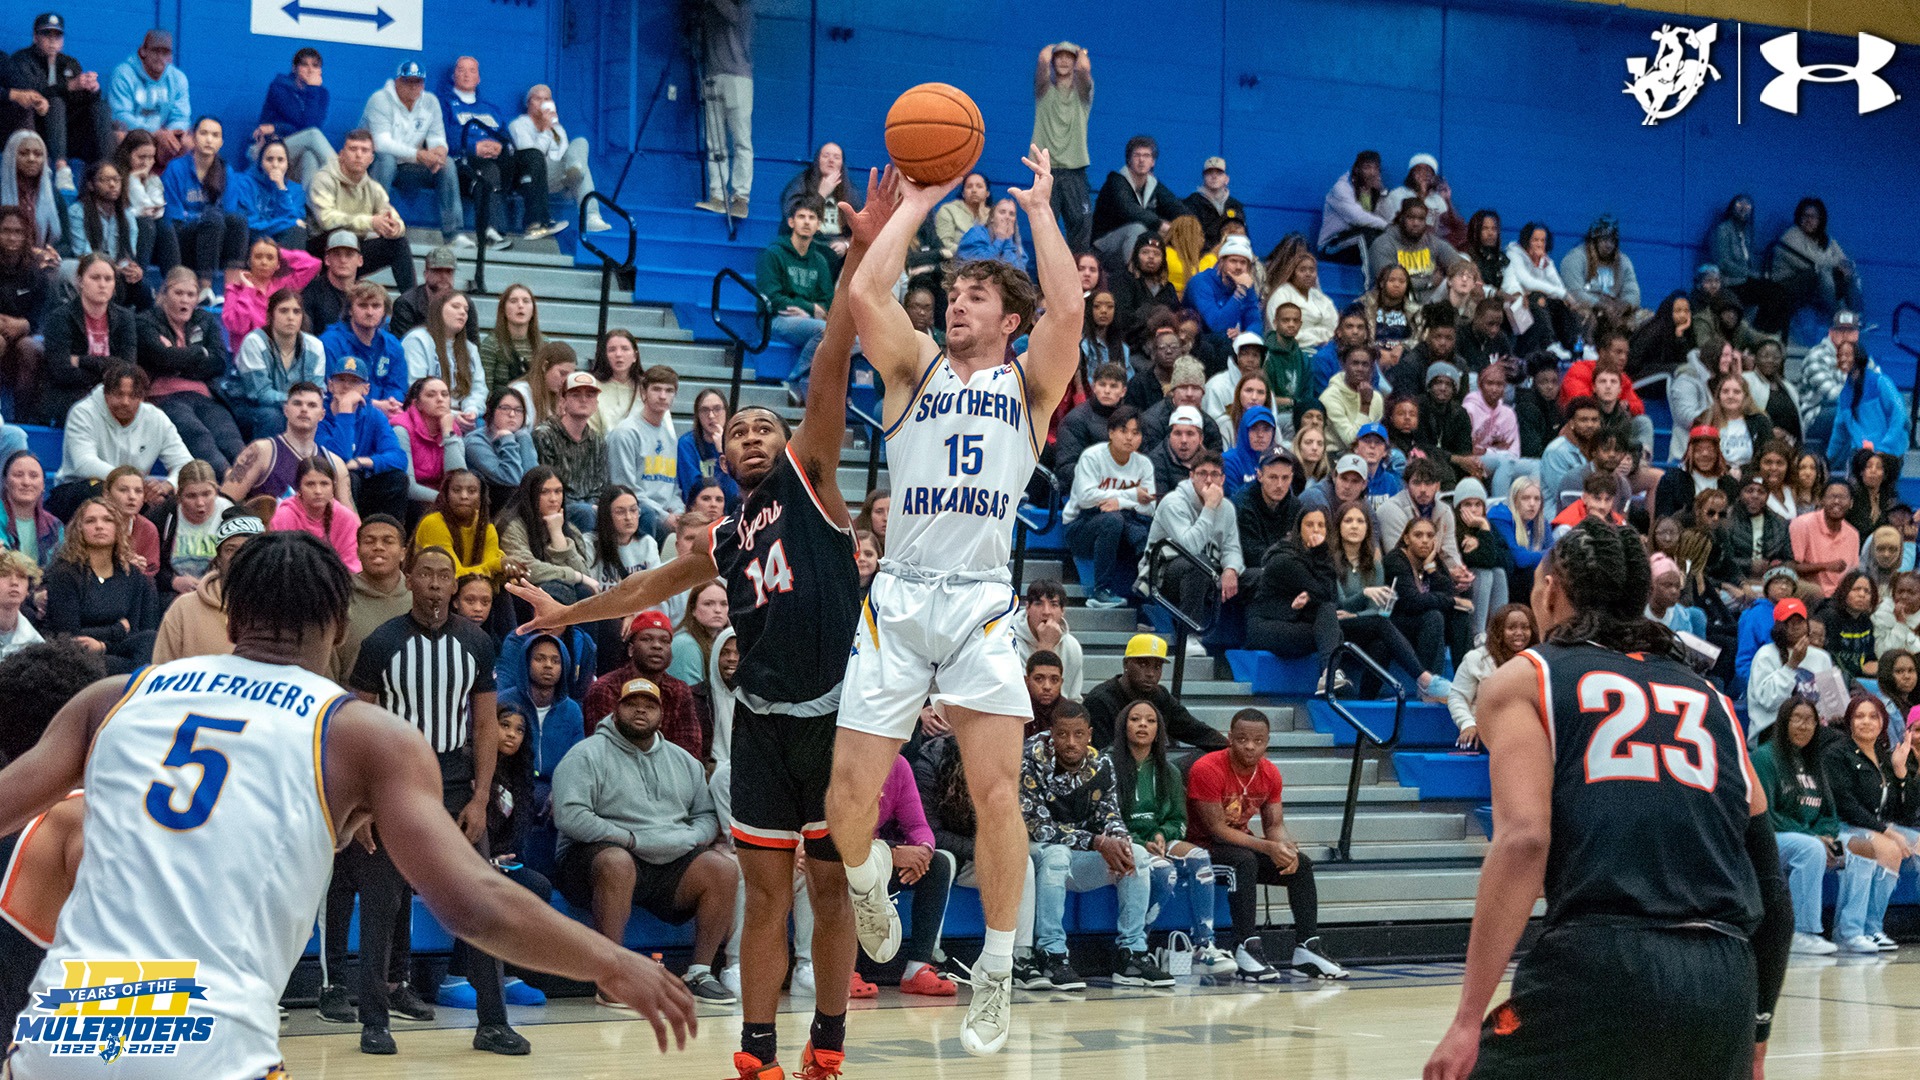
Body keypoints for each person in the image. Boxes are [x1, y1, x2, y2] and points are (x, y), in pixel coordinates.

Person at [0, 531, 700, 1075]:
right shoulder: (356, 730)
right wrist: (611, 962)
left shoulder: (113, 697)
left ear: (231, 612)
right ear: (340, 624)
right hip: (205, 1042)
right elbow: (471, 903)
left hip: (56, 1031)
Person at [512, 193, 881, 1077]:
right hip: (759, 720)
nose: (754, 436)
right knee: (761, 891)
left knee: (825, 885)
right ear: (723, 457)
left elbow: (832, 353)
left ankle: (825, 1044)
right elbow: (646, 583)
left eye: (767, 426)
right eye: (742, 431)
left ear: (790, 443)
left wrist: (859, 252)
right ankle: (756, 1052)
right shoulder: (721, 537)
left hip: (833, 715)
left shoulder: (815, 486)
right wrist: (567, 613)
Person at [818, 150, 1084, 1058]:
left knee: (997, 793)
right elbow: (868, 298)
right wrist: (917, 203)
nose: (956, 304)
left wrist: (1042, 211)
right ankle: (864, 885)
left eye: (975, 296)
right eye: (953, 293)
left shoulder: (1028, 386)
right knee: (847, 802)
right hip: (896, 597)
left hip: (979, 608)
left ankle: (998, 971)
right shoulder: (913, 370)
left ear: (1008, 320)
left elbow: (1071, 309)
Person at [1187, 708, 1346, 981]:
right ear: (1230, 738)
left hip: (1239, 845)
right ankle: (1245, 946)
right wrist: (1267, 847)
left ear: (1267, 742)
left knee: (1301, 865)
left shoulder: (1270, 773)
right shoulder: (1207, 768)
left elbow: (1273, 826)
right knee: (1244, 861)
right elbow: (1217, 830)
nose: (1250, 746)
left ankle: (1306, 949)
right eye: (1242, 739)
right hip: (1200, 848)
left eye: (1258, 741)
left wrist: (1285, 848)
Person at [1020, 703, 1171, 989]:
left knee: (1136, 854)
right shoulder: (1030, 760)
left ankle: (1132, 955)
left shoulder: (1101, 765)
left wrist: (1117, 841)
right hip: (1037, 855)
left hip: (1080, 856)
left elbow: (1111, 815)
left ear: (1089, 734)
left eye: (1078, 734)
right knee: (1056, 853)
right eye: (1062, 735)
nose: (1071, 742)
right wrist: (1097, 841)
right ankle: (1051, 955)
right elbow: (1039, 828)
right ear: (1051, 733)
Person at [1112, 699, 1234, 973]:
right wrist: (1142, 841)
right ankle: (1135, 945)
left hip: (1159, 840)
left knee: (1200, 857)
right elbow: (1105, 819)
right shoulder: (1107, 766)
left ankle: (1204, 946)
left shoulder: (1170, 771)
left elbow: (1179, 821)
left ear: (1159, 730)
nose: (1143, 724)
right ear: (1123, 726)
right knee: (1165, 871)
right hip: (1123, 841)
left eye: (1150, 720)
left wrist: (1161, 834)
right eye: (1135, 719)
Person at [1822, 695, 1918, 954]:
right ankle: (1856, 929)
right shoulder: (1836, 755)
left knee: (1916, 843)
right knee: (1888, 848)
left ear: (1883, 722)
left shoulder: (1885, 757)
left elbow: (1903, 813)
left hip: (1876, 825)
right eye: (1859, 716)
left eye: (1873, 716)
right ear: (1850, 722)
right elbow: (1846, 805)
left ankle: (1874, 928)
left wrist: (1900, 775)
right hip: (1843, 826)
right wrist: (1889, 832)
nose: (1866, 721)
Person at [50, 362, 192, 520]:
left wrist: (167, 486)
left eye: (133, 396)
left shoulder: (156, 418)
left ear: (143, 397)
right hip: (79, 489)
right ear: (106, 393)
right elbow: (84, 463)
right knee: (99, 490)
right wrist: (134, 485)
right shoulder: (83, 412)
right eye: (119, 394)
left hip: (135, 495)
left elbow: (186, 465)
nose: (125, 402)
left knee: (176, 501)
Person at [362, 61, 481, 251]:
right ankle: (374, 225)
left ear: (423, 84)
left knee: (447, 163)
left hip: (408, 167)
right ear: (397, 81)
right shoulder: (380, 99)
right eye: (408, 81)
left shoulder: (430, 102)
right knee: (386, 160)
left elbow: (437, 138)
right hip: (374, 166)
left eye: (417, 82)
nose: (412, 87)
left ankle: (454, 234)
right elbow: (381, 143)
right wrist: (419, 155)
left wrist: (439, 152)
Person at [135, 266, 243, 475]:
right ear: (164, 294)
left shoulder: (206, 321)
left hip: (204, 395)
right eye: (178, 293)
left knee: (231, 440)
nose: (184, 300)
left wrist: (176, 358)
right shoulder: (145, 321)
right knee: (198, 435)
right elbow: (161, 358)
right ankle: (231, 484)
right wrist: (199, 353)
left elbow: (219, 363)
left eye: (190, 294)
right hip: (165, 397)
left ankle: (250, 489)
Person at [40, 496, 158, 671]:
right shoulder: (65, 574)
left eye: (107, 520)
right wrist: (116, 630)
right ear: (79, 529)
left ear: (118, 528)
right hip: (77, 656)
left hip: (116, 651)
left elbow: (134, 631)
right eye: (90, 521)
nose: (99, 526)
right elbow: (68, 635)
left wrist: (103, 646)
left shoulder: (131, 574)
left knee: (151, 639)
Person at [5, 13, 109, 191]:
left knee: (101, 106)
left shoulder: (70, 63)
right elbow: (32, 94)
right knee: (55, 101)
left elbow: (80, 102)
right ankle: (61, 168)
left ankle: (107, 170)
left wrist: (92, 90)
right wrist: (68, 86)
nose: (52, 41)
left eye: (57, 36)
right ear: (35, 37)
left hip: (67, 131)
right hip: (35, 127)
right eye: (47, 35)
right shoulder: (21, 60)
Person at [305, 129, 416, 290]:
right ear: (342, 154)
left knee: (398, 244)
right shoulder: (323, 179)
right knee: (340, 234)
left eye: (364, 150)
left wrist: (394, 227)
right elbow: (326, 220)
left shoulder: (373, 188)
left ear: (371, 158)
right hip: (321, 249)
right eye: (353, 149)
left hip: (353, 250)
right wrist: (370, 222)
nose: (358, 155)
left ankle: (411, 306)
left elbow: (393, 217)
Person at [1081, 633, 1229, 751]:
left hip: (1153, 766)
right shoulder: (1100, 700)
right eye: (1143, 664)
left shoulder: (1160, 695)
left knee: (1206, 757)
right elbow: (1102, 754)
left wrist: (1231, 748)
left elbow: (1195, 730)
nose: (1151, 673)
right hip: (1113, 775)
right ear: (1126, 663)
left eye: (1157, 667)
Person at [36, 252, 133, 424]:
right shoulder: (60, 317)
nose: (102, 284)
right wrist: (107, 368)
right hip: (68, 394)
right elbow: (61, 371)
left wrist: (80, 360)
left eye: (108, 279)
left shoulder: (125, 318)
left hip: (112, 394)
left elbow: (127, 367)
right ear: (80, 281)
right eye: (95, 278)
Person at [151, 511, 259, 663]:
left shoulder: (281, 609)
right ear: (218, 557)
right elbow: (161, 671)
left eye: (249, 548)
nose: (239, 557)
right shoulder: (184, 608)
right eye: (230, 549)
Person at [228, 287, 325, 439]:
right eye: (284, 311)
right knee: (273, 416)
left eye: (296, 311)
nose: (291, 317)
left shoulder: (315, 346)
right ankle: (266, 461)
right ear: (271, 315)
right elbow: (260, 394)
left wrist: (302, 405)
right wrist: (298, 403)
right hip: (247, 406)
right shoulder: (254, 342)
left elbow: (317, 390)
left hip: (291, 406)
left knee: (320, 414)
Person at [757, 192, 834, 378]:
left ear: (818, 225)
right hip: (775, 319)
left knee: (854, 341)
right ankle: (796, 378)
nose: (806, 222)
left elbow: (828, 302)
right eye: (801, 217)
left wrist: (808, 313)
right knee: (823, 330)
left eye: (812, 218)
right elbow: (771, 298)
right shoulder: (773, 254)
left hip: (807, 320)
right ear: (791, 222)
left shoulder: (820, 261)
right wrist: (809, 308)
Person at [509, 82, 603, 234]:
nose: (543, 103)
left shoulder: (557, 129)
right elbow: (531, 157)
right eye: (538, 99)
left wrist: (554, 130)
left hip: (558, 175)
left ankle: (591, 215)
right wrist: (545, 130)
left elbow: (564, 155)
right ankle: (588, 209)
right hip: (534, 178)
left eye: (547, 99)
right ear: (528, 103)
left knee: (581, 143)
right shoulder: (519, 124)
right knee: (576, 166)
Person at [606, 364, 683, 540]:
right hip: (639, 513)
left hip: (666, 515)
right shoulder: (625, 433)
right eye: (656, 389)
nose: (663, 396)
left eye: (669, 391)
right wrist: (664, 517)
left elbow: (674, 489)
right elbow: (625, 488)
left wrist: (679, 513)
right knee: (648, 515)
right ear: (643, 393)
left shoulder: (670, 437)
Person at [62, 160, 149, 311]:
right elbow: (83, 254)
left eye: (116, 179)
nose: (112, 184)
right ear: (90, 185)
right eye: (105, 180)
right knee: (109, 284)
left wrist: (130, 269)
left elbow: (128, 254)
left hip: (116, 271)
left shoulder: (127, 214)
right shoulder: (77, 212)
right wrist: (114, 269)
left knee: (144, 289)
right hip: (91, 270)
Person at [1092, 134, 1184, 262]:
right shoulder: (1116, 182)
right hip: (1104, 244)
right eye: (1137, 155)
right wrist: (1159, 224)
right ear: (1129, 160)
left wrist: (1188, 224)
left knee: (1175, 233)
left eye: (1146, 156)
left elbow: (1175, 207)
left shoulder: (1154, 185)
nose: (1141, 160)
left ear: (1153, 162)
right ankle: (1133, 278)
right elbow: (1129, 209)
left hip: (1136, 240)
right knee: (1137, 228)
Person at [1706, 195, 1790, 335]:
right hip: (1732, 282)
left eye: (1748, 205)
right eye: (1740, 204)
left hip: (1746, 280)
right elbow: (1723, 263)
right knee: (1773, 294)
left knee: (1781, 292)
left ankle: (1765, 332)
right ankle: (1757, 333)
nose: (1744, 208)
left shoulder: (1748, 232)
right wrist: (1749, 273)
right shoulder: (1723, 230)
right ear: (1732, 206)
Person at [1771, 197, 1862, 321]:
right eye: (1805, 216)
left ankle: (1856, 319)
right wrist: (1836, 263)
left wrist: (1848, 267)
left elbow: (1843, 260)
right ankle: (1836, 320)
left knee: (1851, 275)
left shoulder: (1825, 238)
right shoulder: (1791, 236)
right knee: (1823, 274)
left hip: (1812, 281)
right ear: (1799, 217)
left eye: (1813, 217)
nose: (1809, 220)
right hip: (1786, 284)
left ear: (1820, 220)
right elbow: (1812, 262)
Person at [107, 30, 189, 162]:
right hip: (132, 135)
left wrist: (173, 133)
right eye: (156, 51)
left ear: (171, 56)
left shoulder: (178, 78)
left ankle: (166, 180)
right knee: (118, 136)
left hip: (163, 136)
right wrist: (156, 132)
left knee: (187, 141)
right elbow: (120, 116)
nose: (160, 57)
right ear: (143, 51)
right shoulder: (123, 73)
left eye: (165, 52)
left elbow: (181, 117)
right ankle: (126, 178)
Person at [253, 46, 334, 181]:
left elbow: (311, 126)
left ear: (320, 70)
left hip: (297, 149)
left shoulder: (323, 94)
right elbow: (307, 128)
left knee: (310, 156)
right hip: (272, 146)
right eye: (304, 65)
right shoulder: (279, 88)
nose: (310, 70)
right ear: (294, 68)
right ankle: (343, 174)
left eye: (315, 66)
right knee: (313, 135)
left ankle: (311, 202)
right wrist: (313, 89)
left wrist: (276, 126)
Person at [1009, 579, 1083, 700]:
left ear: (1063, 611)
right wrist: (1046, 646)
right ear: (1027, 608)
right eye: (1038, 604)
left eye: (1053, 604)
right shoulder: (1009, 641)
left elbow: (1074, 699)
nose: (1046, 612)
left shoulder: (1072, 646)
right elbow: (1019, 698)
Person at [1367, 200, 1459, 296]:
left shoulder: (1432, 242)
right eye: (1411, 218)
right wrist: (1429, 282)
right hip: (1396, 301)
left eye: (1421, 219)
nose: (1416, 223)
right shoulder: (1383, 244)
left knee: (1463, 265)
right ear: (1401, 218)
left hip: (1430, 302)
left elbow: (1459, 265)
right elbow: (1391, 282)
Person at [1791, 480, 1861, 598]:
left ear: (1851, 503)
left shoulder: (1853, 534)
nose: (1836, 502)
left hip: (1840, 597)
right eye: (1831, 497)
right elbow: (1791, 566)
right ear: (1821, 500)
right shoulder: (1802, 524)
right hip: (1811, 594)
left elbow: (1852, 573)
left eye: (1842, 497)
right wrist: (1826, 566)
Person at [1317, 150, 1388, 264]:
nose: (1372, 172)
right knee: (1365, 235)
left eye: (1375, 168)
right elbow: (1357, 218)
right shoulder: (1342, 188)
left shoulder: (1374, 193)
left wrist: (1382, 192)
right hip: (1331, 245)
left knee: (1389, 237)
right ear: (1356, 169)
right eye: (1367, 167)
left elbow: (1384, 217)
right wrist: (1388, 226)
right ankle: (1371, 280)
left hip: (1355, 246)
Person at [0, 450, 58, 570]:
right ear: (5, 482)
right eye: (18, 475)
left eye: (34, 476)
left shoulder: (55, 527)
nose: (26, 482)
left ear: (43, 485)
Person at [591, 328, 644, 435]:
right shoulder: (592, 386)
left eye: (625, 349)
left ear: (635, 356)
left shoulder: (647, 388)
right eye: (612, 350)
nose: (618, 354)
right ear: (604, 355)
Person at [0, 546, 42, 658]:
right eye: (4, 575)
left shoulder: (34, 641)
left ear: (29, 589)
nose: (14, 582)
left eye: (21, 577)